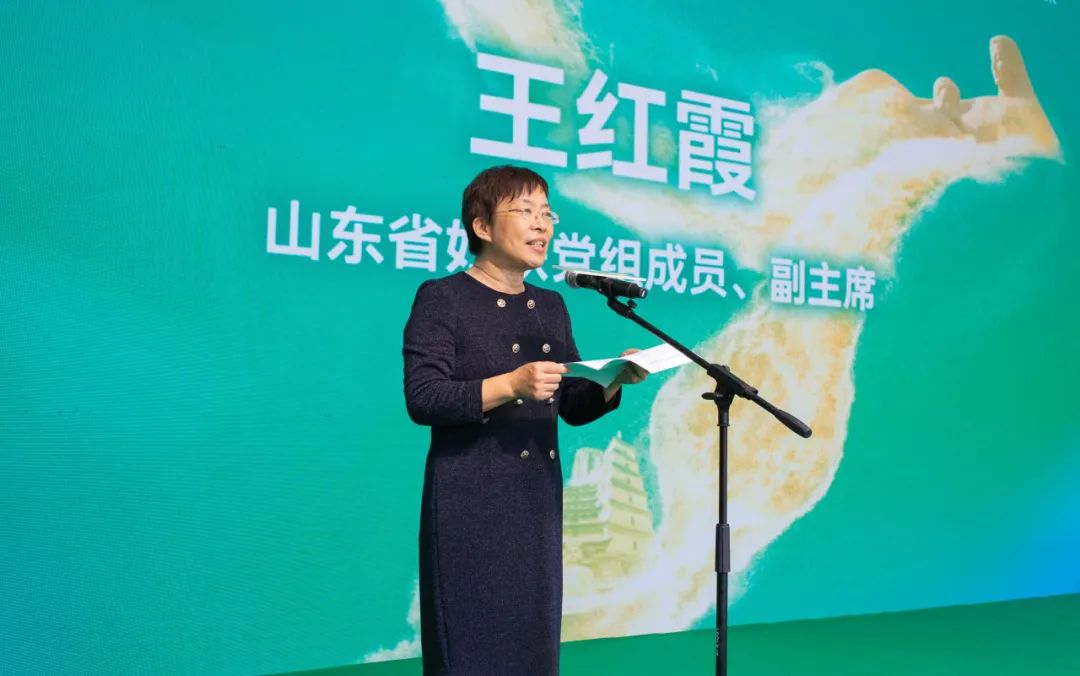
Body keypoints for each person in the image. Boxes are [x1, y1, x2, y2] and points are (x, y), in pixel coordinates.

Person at [402, 165, 646, 675]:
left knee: (532, 653)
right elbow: (424, 397)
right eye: (525, 211)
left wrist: (612, 379)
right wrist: (510, 385)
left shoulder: (550, 306)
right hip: (471, 505)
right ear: (482, 226)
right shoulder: (443, 298)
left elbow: (572, 404)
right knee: (471, 652)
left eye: (547, 214)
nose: (542, 225)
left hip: (536, 502)